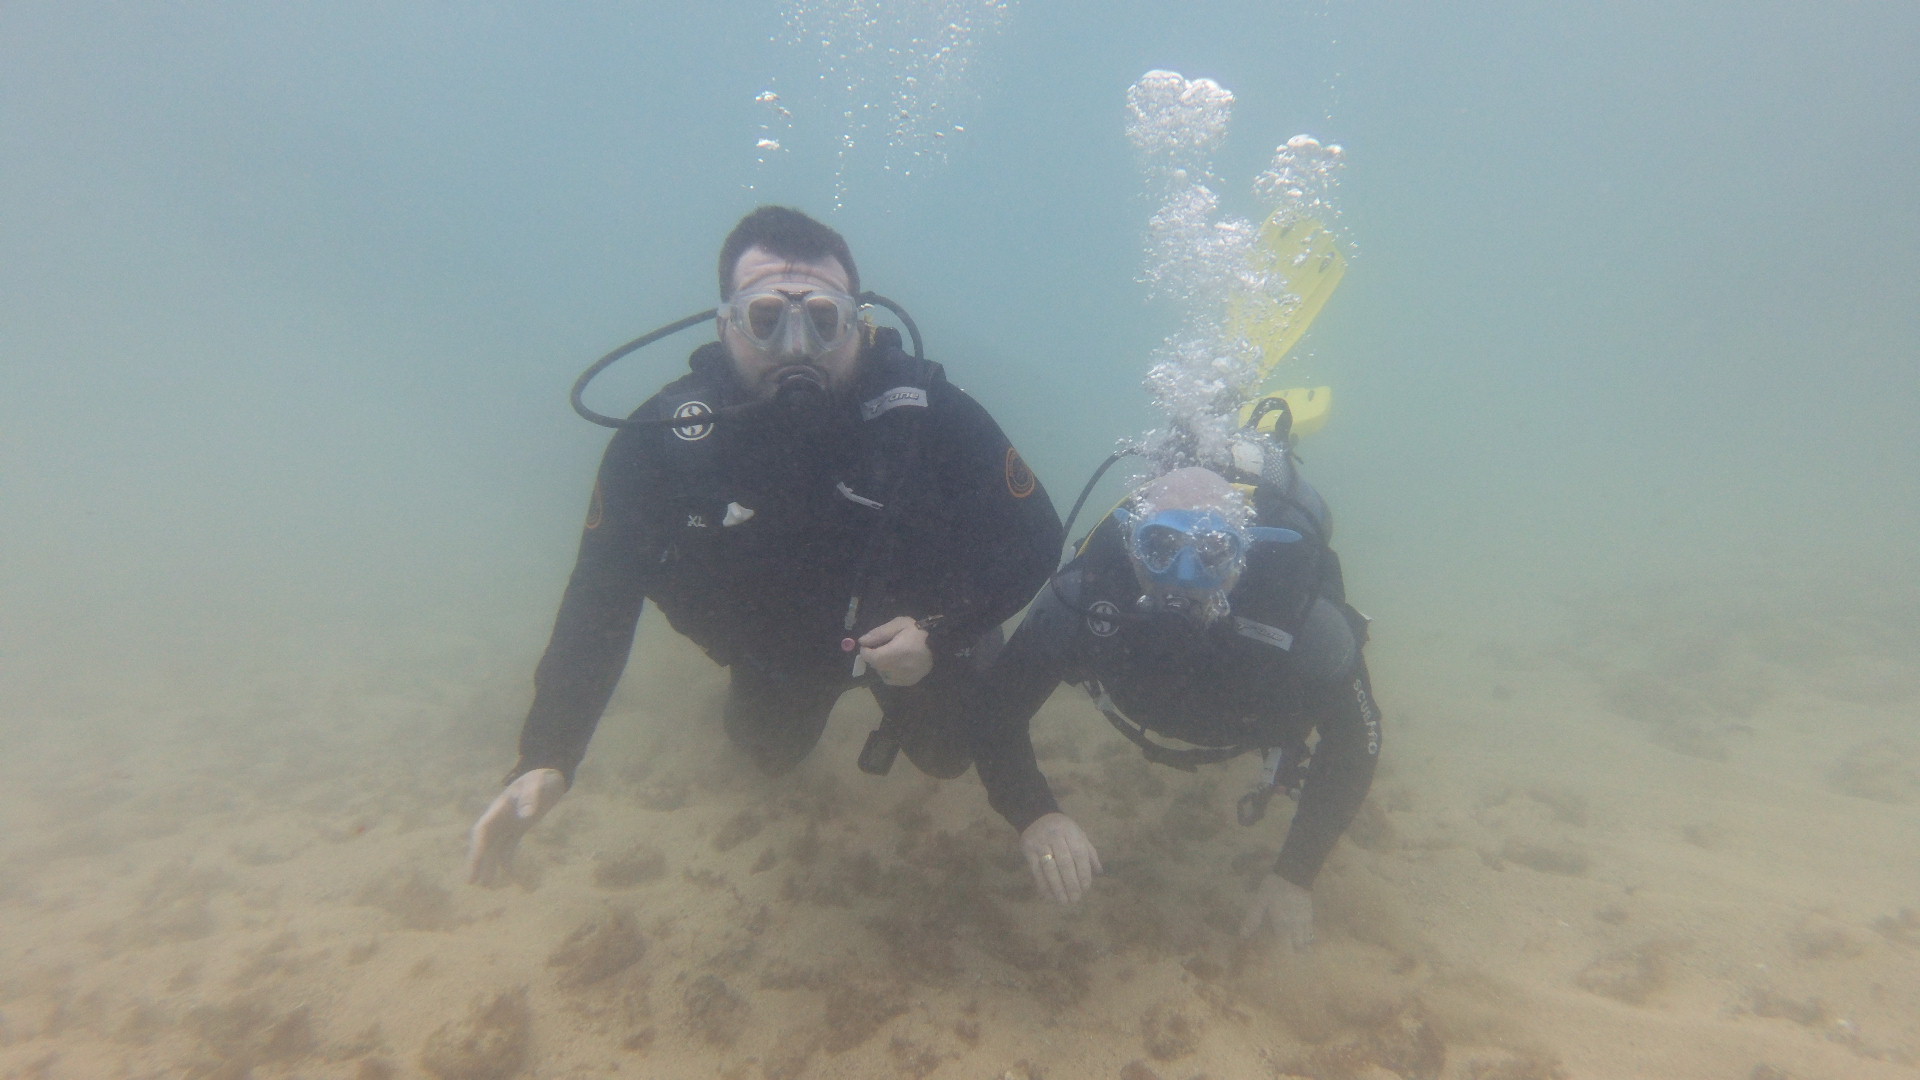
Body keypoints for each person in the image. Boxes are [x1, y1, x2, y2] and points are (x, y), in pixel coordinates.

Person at [467, 206, 1063, 885]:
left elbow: (1036, 537)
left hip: (914, 641)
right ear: (726, 325)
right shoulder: (661, 444)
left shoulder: (930, 414)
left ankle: (946, 667)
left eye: (824, 318)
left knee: (950, 755)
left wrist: (942, 629)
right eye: (766, 317)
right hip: (780, 657)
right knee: (766, 754)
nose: (796, 345)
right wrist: (549, 753)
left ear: (859, 323)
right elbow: (601, 593)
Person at [968, 452, 1381, 950]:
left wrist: (1296, 873)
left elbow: (1357, 743)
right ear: (1132, 547)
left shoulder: (1303, 619)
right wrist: (1035, 814)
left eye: (1212, 551)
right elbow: (997, 712)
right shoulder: (1083, 594)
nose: (1183, 577)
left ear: (1244, 555)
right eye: (1161, 546)